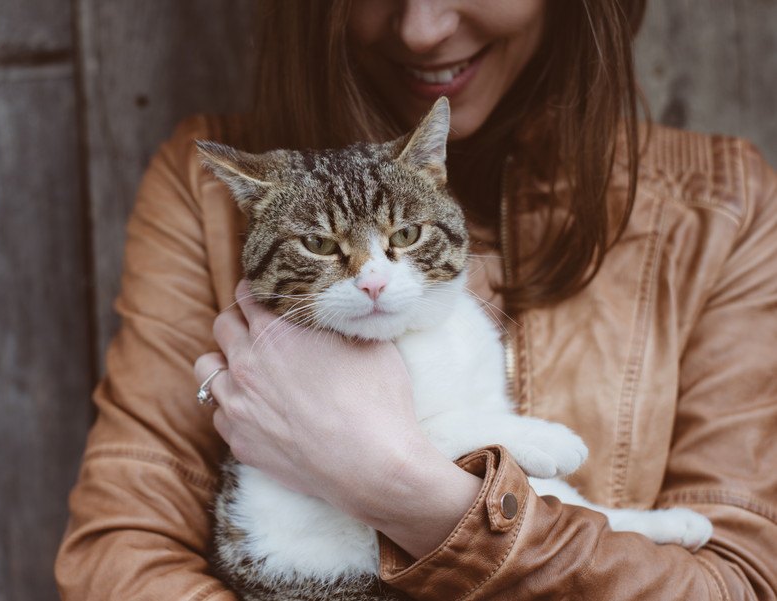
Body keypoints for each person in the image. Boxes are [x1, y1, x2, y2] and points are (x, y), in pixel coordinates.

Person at [55, 1, 777, 598]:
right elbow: (120, 555)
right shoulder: (202, 185)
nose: (422, 27)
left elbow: (737, 580)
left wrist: (403, 486)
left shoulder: (727, 207)